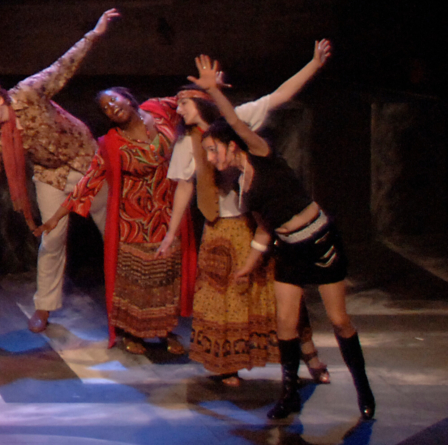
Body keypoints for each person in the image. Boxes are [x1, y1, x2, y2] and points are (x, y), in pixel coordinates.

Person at [194, 55, 373, 421]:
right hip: (289, 250)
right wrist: (248, 265)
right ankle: (289, 394)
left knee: (339, 320)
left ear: (233, 146)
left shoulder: (262, 154)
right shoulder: (242, 188)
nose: (211, 158)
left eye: (214, 150)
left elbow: (233, 121)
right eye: (207, 152)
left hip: (321, 242)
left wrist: (213, 91)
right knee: (286, 326)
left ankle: (363, 388)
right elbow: (265, 227)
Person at [161, 41, 332, 386]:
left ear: (202, 100)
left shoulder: (233, 123)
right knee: (221, 297)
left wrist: (314, 64)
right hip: (219, 228)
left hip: (254, 225)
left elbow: (280, 95)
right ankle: (227, 363)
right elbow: (184, 188)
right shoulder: (184, 145)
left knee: (277, 295)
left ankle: (309, 355)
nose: (178, 109)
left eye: (183, 101)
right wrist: (169, 233)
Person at [0, 9, 118, 334]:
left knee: (113, 232)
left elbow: (64, 65)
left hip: (86, 163)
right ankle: (44, 306)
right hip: (50, 176)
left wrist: (96, 32)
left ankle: (127, 302)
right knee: (52, 240)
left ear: (0, 99)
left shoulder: (29, 92)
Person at [57, 84, 192, 352]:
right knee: (136, 279)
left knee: (166, 275)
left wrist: (211, 89)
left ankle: (165, 330)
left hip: (168, 214)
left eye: (114, 100)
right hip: (133, 221)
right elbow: (91, 178)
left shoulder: (160, 110)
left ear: (128, 98)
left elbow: (190, 99)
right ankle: (133, 333)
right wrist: (59, 214)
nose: (112, 108)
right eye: (105, 108)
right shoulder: (110, 143)